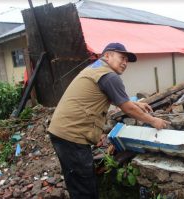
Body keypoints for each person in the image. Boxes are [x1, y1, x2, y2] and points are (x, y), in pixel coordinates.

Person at [47, 42, 170, 199]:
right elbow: (127, 108)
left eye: (127, 60)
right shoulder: (109, 76)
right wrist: (154, 121)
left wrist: (137, 103)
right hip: (73, 135)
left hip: (61, 131)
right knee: (85, 187)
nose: (125, 63)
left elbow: (114, 98)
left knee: (75, 181)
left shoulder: (95, 69)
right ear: (107, 55)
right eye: (122, 58)